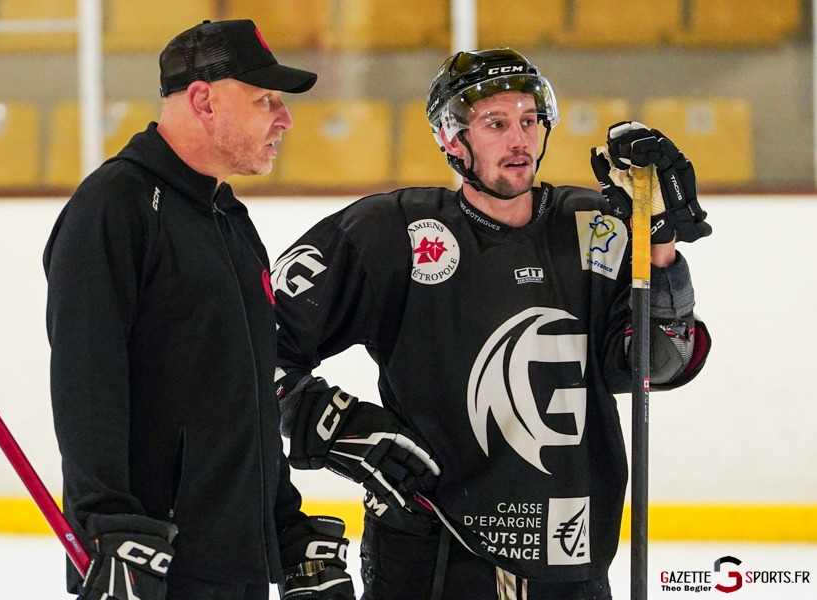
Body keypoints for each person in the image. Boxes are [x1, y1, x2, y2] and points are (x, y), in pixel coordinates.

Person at [270, 48, 713, 599]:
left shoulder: (595, 226)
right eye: (496, 124)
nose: (519, 140)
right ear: (451, 139)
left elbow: (654, 365)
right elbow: (252, 343)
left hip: (571, 562)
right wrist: (337, 428)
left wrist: (661, 248)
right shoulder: (390, 233)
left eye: (528, 121)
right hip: (429, 557)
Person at [44, 19, 355, 600]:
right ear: (203, 99)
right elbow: (87, 381)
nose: (283, 118)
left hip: (232, 560)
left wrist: (283, 525)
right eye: (265, 100)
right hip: (154, 564)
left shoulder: (229, 218)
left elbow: (247, 396)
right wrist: (107, 523)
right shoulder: (115, 206)